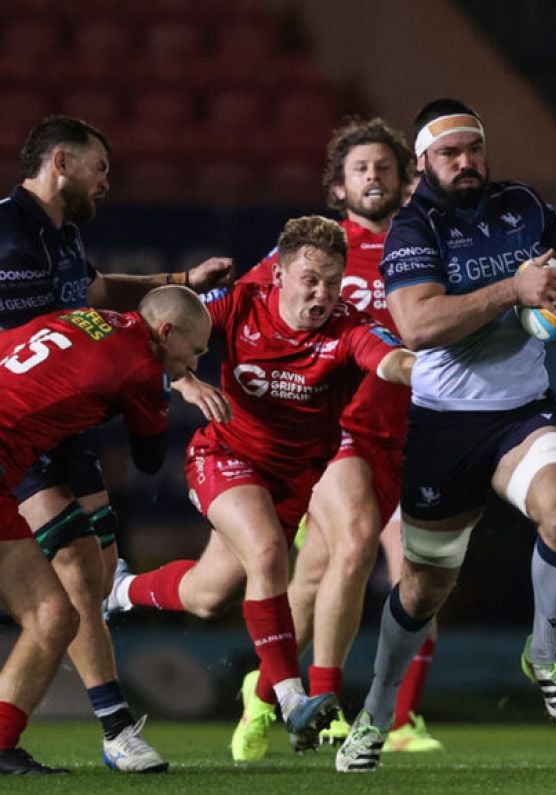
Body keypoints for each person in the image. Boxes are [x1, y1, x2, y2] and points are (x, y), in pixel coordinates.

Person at [334, 98, 556, 773]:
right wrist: (511, 290)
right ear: (424, 162)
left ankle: (544, 650)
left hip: (521, 410)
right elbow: (418, 326)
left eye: (473, 148)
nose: (465, 162)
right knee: (425, 587)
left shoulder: (520, 203)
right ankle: (375, 708)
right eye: (449, 153)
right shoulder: (413, 227)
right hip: (444, 425)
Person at [105, 215, 416, 753]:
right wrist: (183, 380)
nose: (321, 294)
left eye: (332, 281)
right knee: (271, 553)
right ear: (279, 275)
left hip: (294, 479)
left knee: (208, 595)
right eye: (309, 279)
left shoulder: (348, 326)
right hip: (224, 456)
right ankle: (292, 700)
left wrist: (429, 371)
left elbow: (389, 359)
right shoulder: (240, 304)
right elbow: (159, 327)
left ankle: (121, 590)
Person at [0, 115, 234, 772]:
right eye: (100, 167)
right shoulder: (4, 229)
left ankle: (103, 702)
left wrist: (181, 282)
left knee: (94, 578)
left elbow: (101, 294)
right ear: (62, 162)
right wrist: (169, 377)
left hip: (63, 423)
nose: (108, 181)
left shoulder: (66, 237)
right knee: (73, 574)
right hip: (16, 418)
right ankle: (116, 728)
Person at [229, 116, 442, 759]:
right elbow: (244, 307)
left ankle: (267, 693)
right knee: (358, 545)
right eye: (360, 168)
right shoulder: (319, 252)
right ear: (338, 186)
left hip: (409, 436)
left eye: (384, 166)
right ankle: (327, 709)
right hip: (334, 430)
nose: (372, 176)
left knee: (325, 576)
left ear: (407, 181)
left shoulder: (426, 247)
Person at [0, 285, 211, 774]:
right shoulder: (140, 369)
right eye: (195, 351)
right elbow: (151, 457)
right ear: (165, 332)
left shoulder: (80, 320)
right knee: (58, 605)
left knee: (55, 613)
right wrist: (170, 384)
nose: (195, 364)